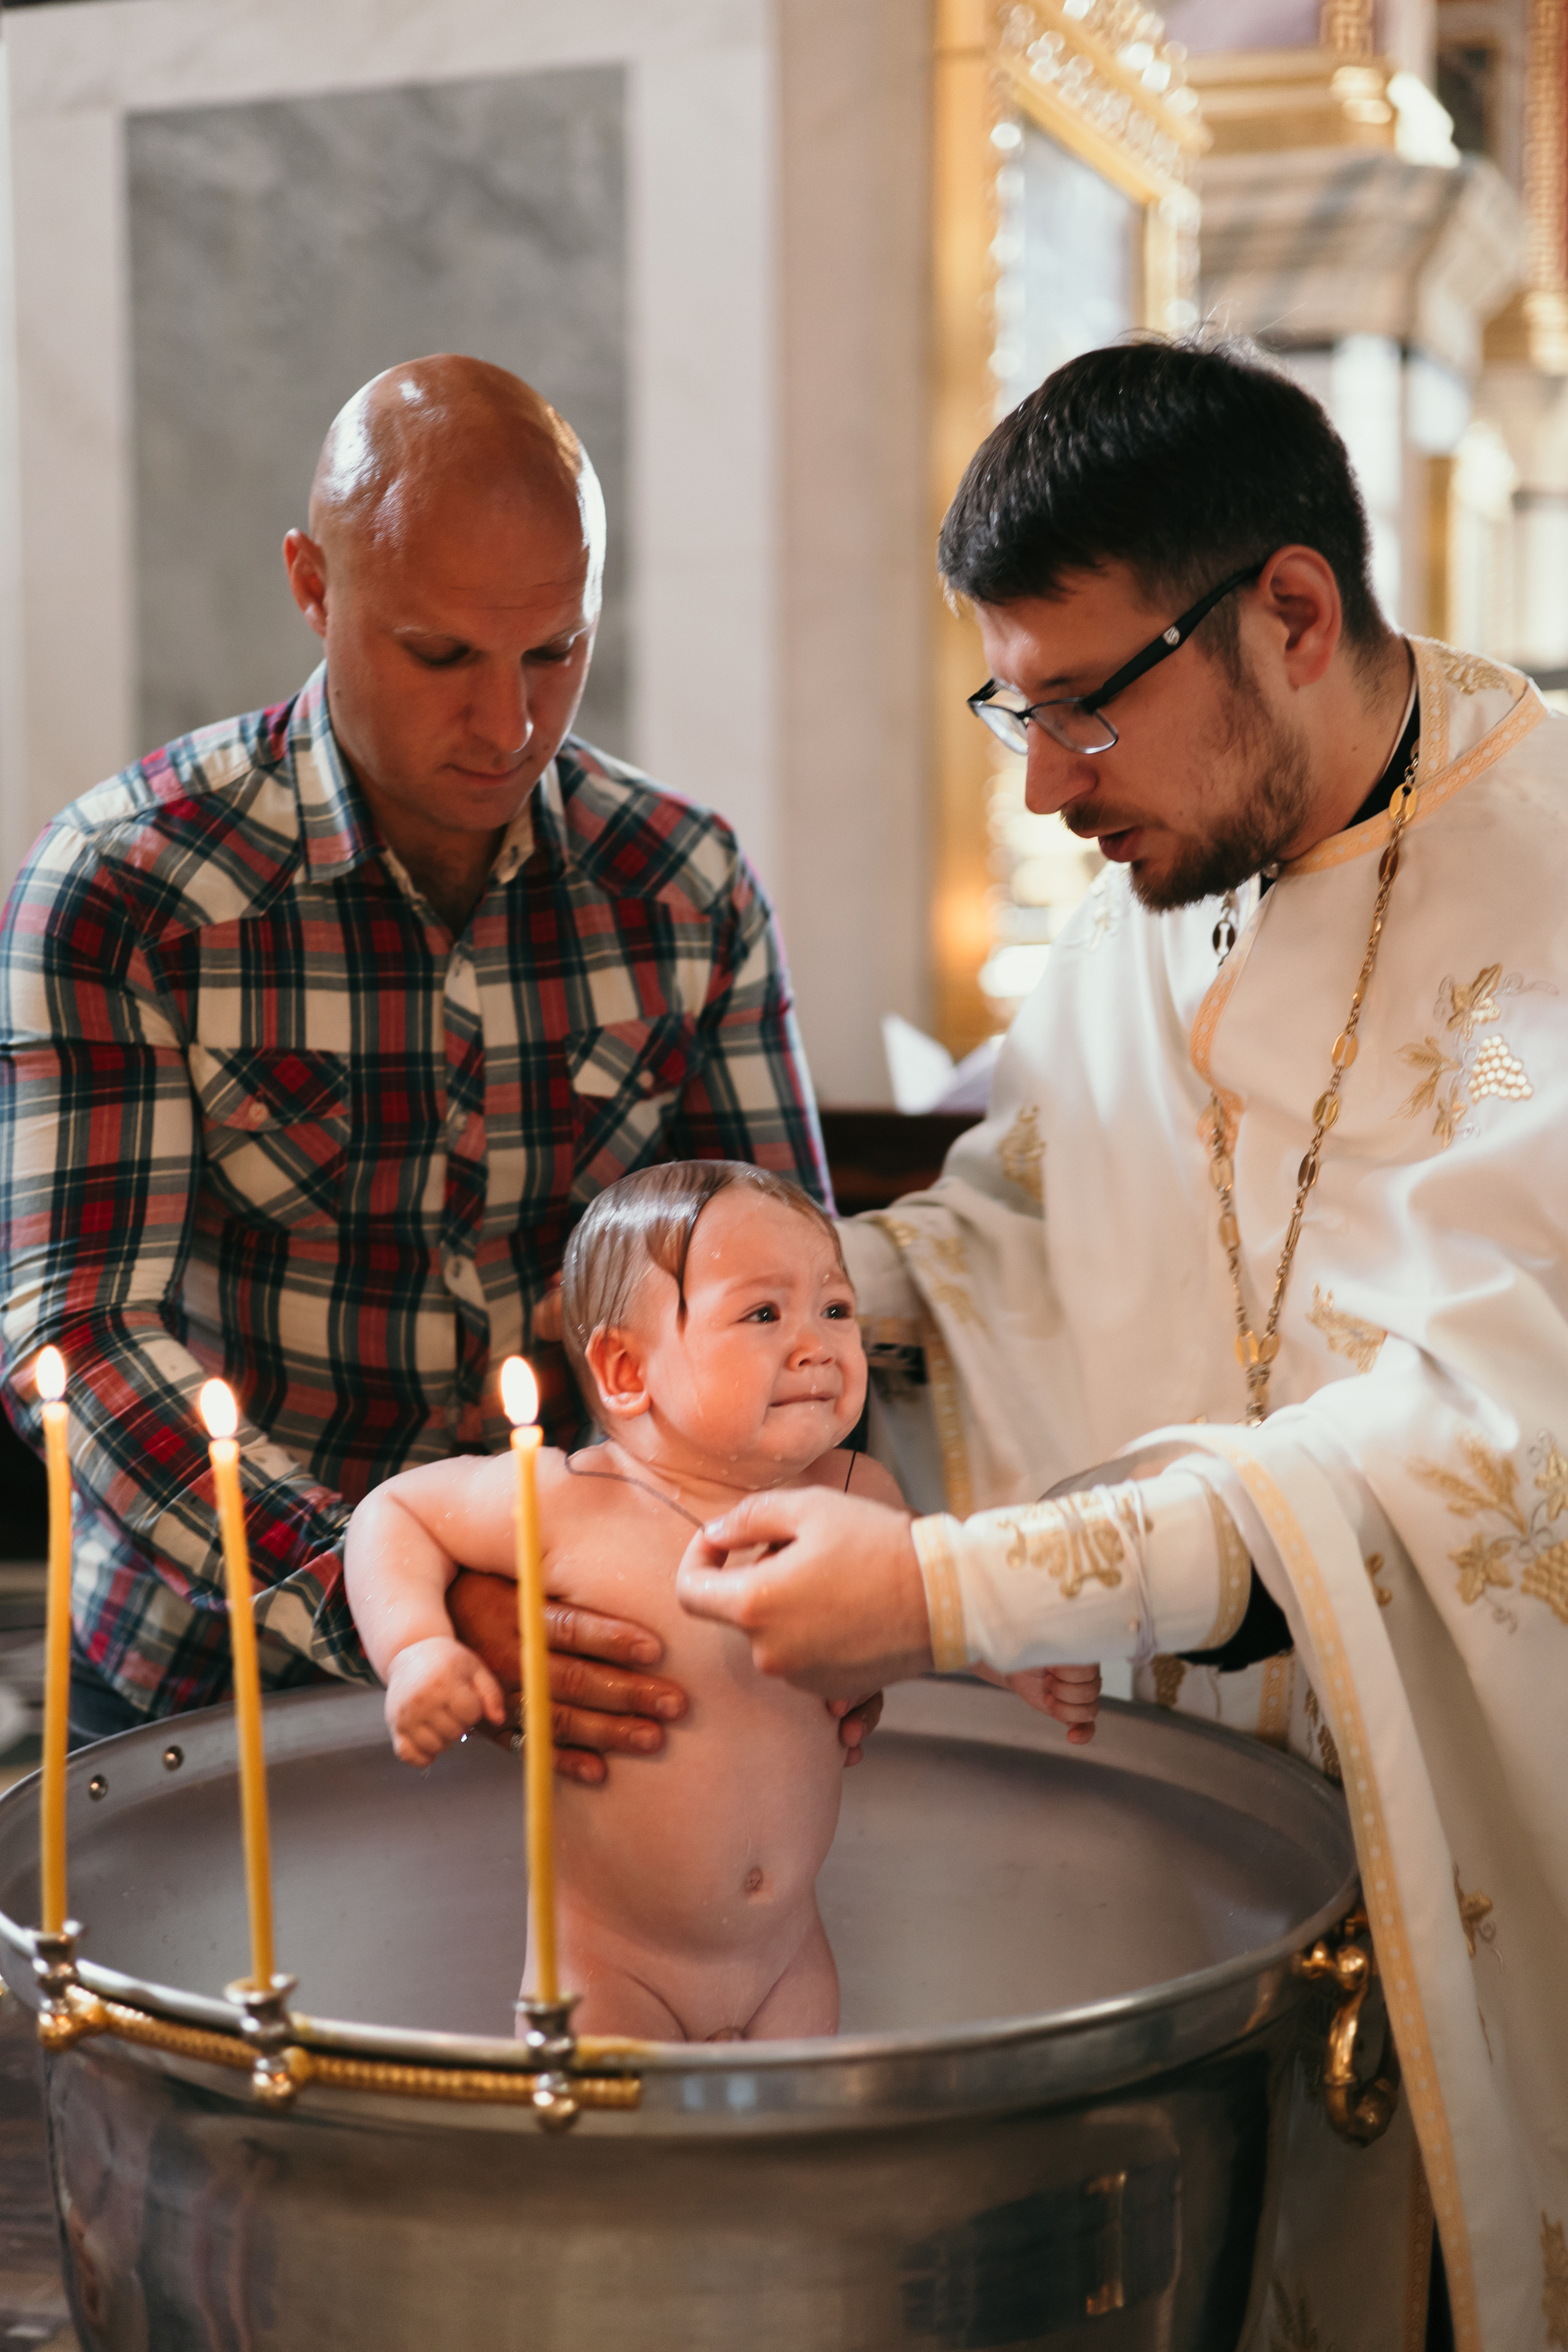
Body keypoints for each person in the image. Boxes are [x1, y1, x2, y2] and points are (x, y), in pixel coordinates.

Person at [676, 339, 1567, 2351]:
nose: (1042, 782)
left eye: (1082, 705)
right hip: (1199, 1860)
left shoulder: (1549, 926)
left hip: (1485, 1856)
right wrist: (790, 1310)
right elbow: (1030, 1213)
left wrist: (943, 1590)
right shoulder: (1167, 887)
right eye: (1015, 701)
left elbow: (1473, 1442)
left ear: (1295, 613)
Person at [0, 355, 831, 1769]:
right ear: (313, 589)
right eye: (441, 655)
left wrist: (839, 1572)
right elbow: (73, 1337)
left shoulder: (683, 888)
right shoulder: (129, 884)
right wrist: (398, 1597)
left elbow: (788, 1307)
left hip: (605, 1649)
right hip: (213, 1668)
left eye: (554, 652)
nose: (508, 725)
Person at [345, 1160, 1099, 2039]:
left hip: (786, 1960)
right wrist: (419, 1650)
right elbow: (390, 1514)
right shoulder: (568, 1501)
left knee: (784, 2168)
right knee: (618, 2170)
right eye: (764, 1313)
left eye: (837, 1309)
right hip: (611, 1968)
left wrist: (1010, 1655)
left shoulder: (856, 1494)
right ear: (627, 1369)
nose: (818, 1343)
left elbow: (925, 1599)